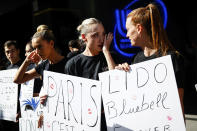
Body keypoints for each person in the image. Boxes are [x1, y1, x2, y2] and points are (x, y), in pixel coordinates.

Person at [115, 4, 185, 115]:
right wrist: (122, 76)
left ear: (139, 28)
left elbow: (178, 105)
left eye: (128, 30)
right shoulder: (136, 60)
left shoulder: (171, 59)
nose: (127, 35)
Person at [65, 18, 116, 131]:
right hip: (88, 123)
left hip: (113, 120)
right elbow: (72, 99)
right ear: (84, 37)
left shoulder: (111, 57)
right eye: (95, 35)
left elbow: (115, 83)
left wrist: (106, 52)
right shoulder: (73, 64)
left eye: (103, 34)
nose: (101, 39)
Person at [13, 25, 67, 102]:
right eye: (34, 48)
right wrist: (26, 61)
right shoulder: (43, 66)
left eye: (39, 47)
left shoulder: (69, 64)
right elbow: (17, 80)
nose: (37, 52)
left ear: (51, 44)